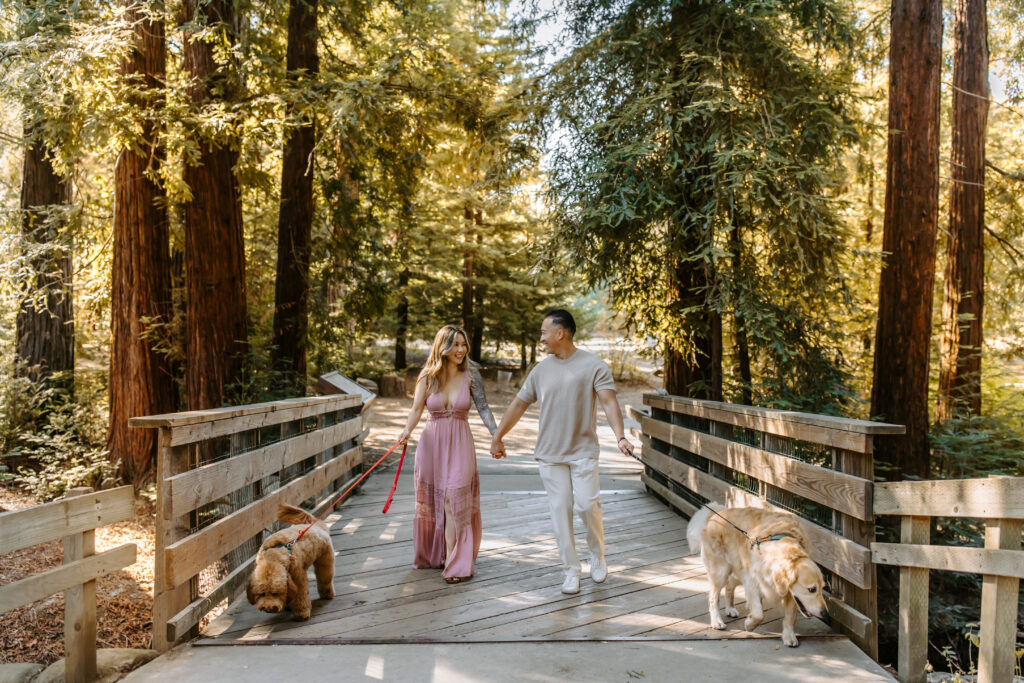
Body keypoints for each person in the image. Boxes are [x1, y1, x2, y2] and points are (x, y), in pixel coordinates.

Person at [489, 309, 634, 594]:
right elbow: (518, 405)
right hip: (550, 454)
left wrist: (620, 437)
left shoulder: (593, 365)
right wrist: (498, 437)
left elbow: (609, 403)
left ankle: (597, 555)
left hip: (583, 450)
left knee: (587, 505)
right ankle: (571, 570)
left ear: (561, 333)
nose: (541, 338)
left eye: (544, 332)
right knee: (559, 511)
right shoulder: (541, 370)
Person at [398, 324, 497, 584]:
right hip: (432, 445)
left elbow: (484, 409)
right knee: (438, 502)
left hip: (461, 443)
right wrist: (406, 430)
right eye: (456, 345)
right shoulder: (428, 375)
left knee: (454, 499)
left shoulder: (471, 374)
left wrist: (496, 435)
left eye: (464, 345)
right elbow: (416, 409)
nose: (461, 350)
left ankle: (455, 561)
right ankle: (438, 555)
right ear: (443, 347)